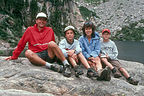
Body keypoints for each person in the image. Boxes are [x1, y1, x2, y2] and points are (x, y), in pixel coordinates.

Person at [5, 12, 72, 77]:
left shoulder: (49, 30)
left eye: (44, 20)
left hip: (48, 54)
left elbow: (53, 47)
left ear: (46, 22)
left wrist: (62, 56)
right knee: (27, 52)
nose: (42, 21)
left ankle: (66, 65)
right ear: (36, 21)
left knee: (52, 43)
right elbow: (21, 44)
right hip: (37, 56)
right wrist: (14, 56)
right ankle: (50, 66)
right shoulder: (29, 30)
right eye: (40, 19)